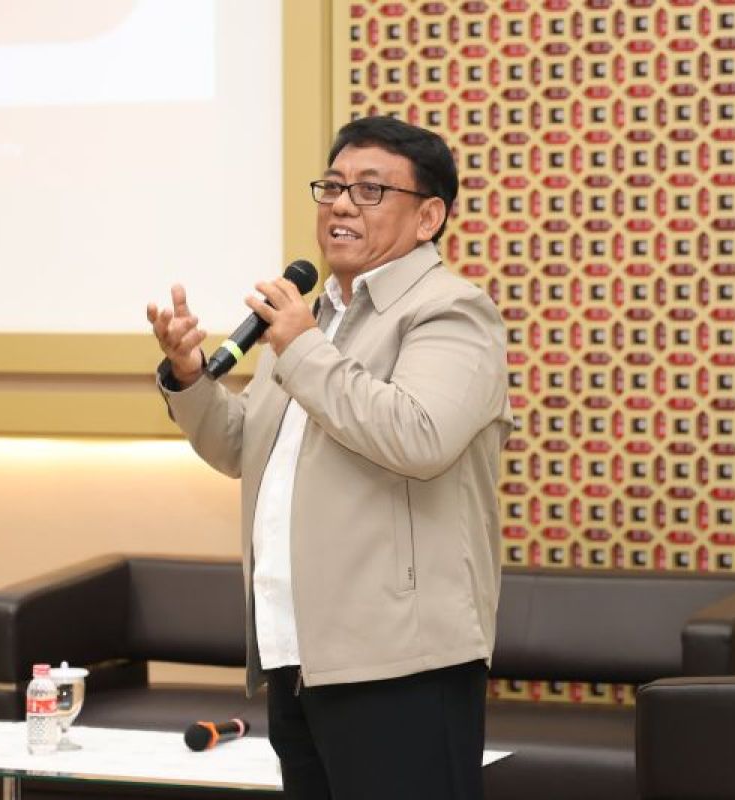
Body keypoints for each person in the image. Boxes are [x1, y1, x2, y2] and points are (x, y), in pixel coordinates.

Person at [147, 115, 511, 800]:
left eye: (370, 190)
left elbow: (419, 436)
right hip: (299, 655)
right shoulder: (315, 321)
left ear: (429, 216)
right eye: (333, 186)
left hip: (401, 662)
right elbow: (240, 445)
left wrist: (303, 346)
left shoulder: (453, 312)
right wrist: (191, 378)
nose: (342, 204)